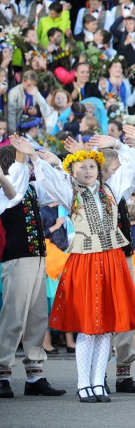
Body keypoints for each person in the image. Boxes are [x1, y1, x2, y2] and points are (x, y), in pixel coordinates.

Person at [15, 134, 135, 403]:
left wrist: (118, 145)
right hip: (86, 261)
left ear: (99, 170)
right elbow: (50, 179)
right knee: (89, 326)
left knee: (106, 326)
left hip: (111, 260)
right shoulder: (70, 192)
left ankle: (98, 382)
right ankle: (83, 382)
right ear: (71, 171)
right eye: (81, 167)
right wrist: (34, 155)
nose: (87, 170)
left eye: (91, 166)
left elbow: (132, 167)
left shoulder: (111, 190)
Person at [0, 144, 66, 398]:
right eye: (26, 165)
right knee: (13, 318)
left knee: (37, 317)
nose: (30, 169)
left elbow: (56, 190)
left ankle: (35, 374)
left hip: (37, 257)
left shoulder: (31, 189)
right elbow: (12, 188)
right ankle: (3, 373)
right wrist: (19, 161)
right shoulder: (6, 192)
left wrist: (52, 162)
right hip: (17, 259)